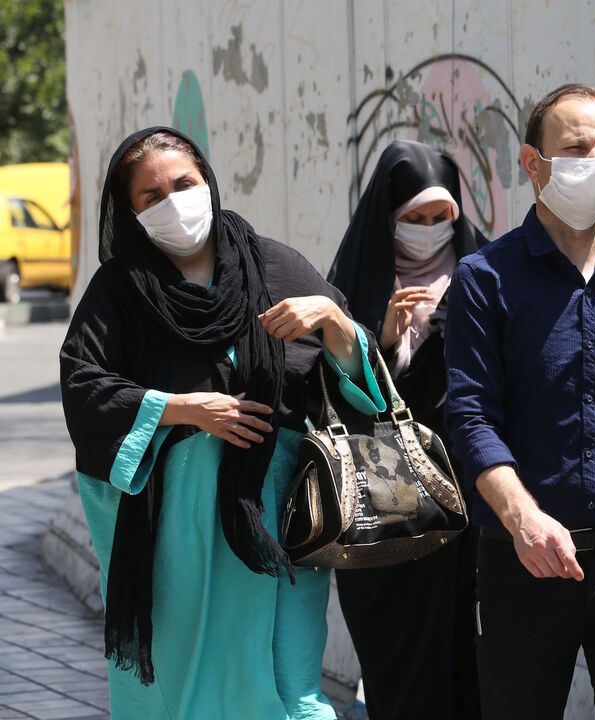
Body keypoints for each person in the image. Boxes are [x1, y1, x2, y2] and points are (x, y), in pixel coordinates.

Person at [60, 127, 387, 719]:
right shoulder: (121, 290)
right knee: (191, 687)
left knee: (294, 689)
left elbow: (362, 386)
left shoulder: (276, 265)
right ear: (131, 213)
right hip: (177, 529)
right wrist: (181, 408)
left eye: (183, 184)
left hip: (280, 519)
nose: (173, 202)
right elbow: (85, 386)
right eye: (150, 195)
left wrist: (334, 320)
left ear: (207, 181)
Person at [445, 83, 595, 719]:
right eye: (578, 148)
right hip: (523, 560)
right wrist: (522, 519)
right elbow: (470, 416)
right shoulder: (484, 279)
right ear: (533, 163)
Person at [326, 139, 486, 719]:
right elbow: (329, 396)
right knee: (401, 659)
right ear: (387, 219)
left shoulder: (486, 272)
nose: (428, 229)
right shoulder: (351, 287)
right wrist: (383, 341)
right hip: (389, 508)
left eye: (439, 217)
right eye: (412, 219)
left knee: (472, 660)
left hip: (475, 496)